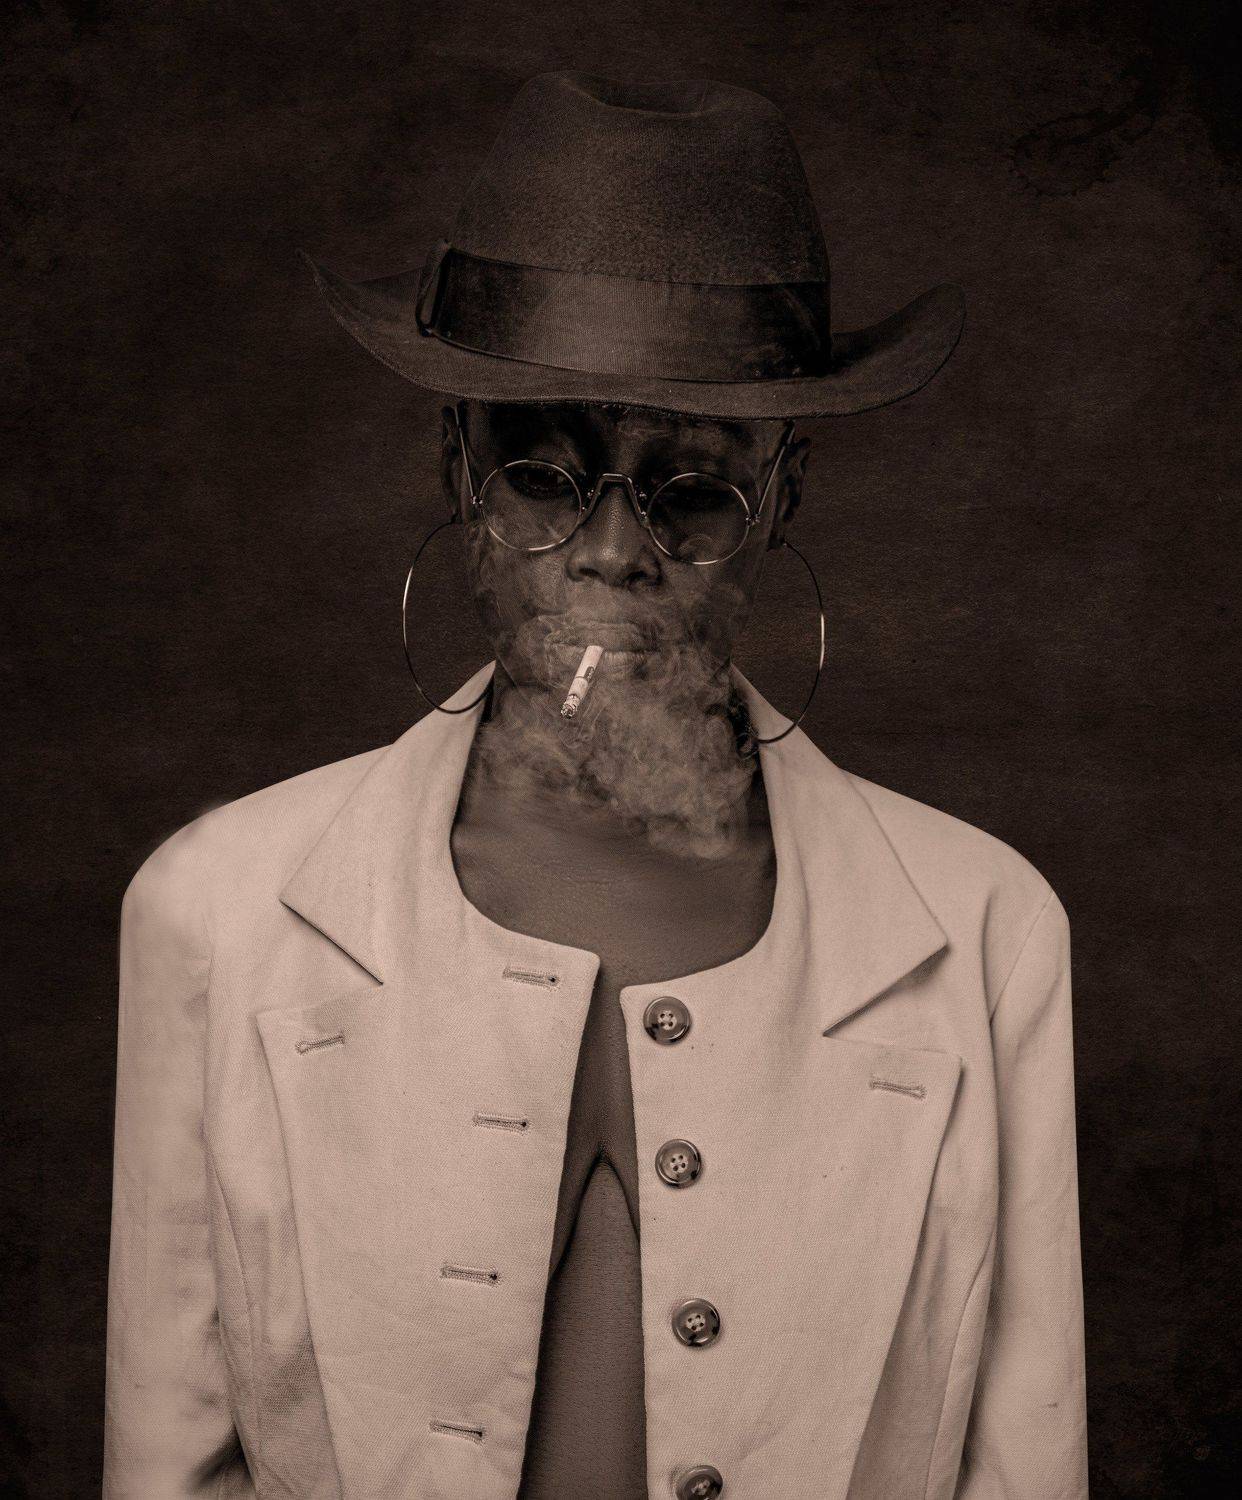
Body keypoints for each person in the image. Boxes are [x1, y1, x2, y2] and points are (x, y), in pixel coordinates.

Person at [103, 71, 1088, 1500]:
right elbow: (168, 1456)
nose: (615, 553)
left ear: (783, 492)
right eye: (543, 476)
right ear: (457, 467)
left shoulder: (987, 930)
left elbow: (1025, 1457)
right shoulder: (216, 909)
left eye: (692, 490)